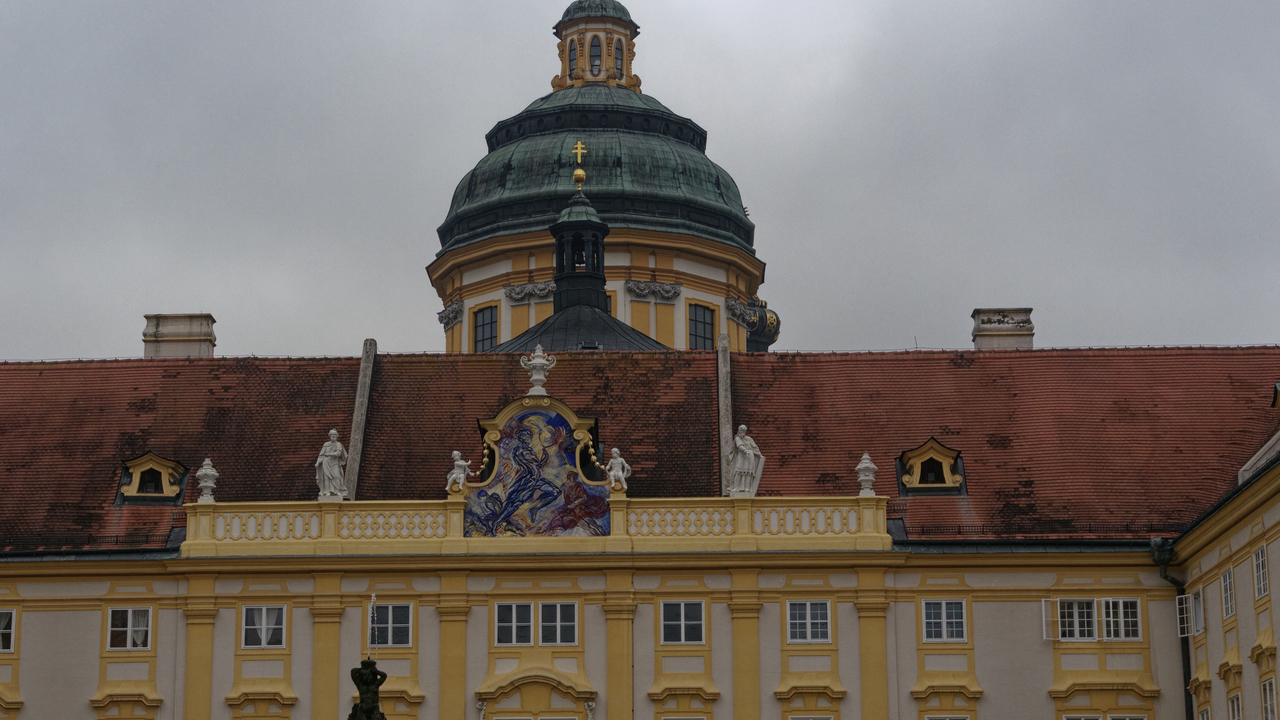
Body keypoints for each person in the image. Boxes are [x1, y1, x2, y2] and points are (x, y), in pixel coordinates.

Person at [728, 425, 764, 496]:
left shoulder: (749, 439)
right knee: (738, 472)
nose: (740, 432)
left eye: (742, 431)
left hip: (750, 456)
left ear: (745, 431)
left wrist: (760, 455)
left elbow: (755, 447)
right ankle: (736, 487)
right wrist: (745, 451)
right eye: (740, 430)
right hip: (741, 456)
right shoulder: (737, 438)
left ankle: (747, 488)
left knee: (748, 473)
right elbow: (740, 446)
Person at [315, 429, 348, 498]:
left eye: (335, 435)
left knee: (336, 476)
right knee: (326, 477)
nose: (333, 436)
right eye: (332, 435)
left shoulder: (338, 445)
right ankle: (327, 491)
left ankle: (337, 491)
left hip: (334, 463)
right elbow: (321, 454)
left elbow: (338, 454)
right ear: (330, 436)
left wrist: (329, 454)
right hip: (326, 462)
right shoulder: (326, 444)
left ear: (337, 436)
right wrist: (318, 462)